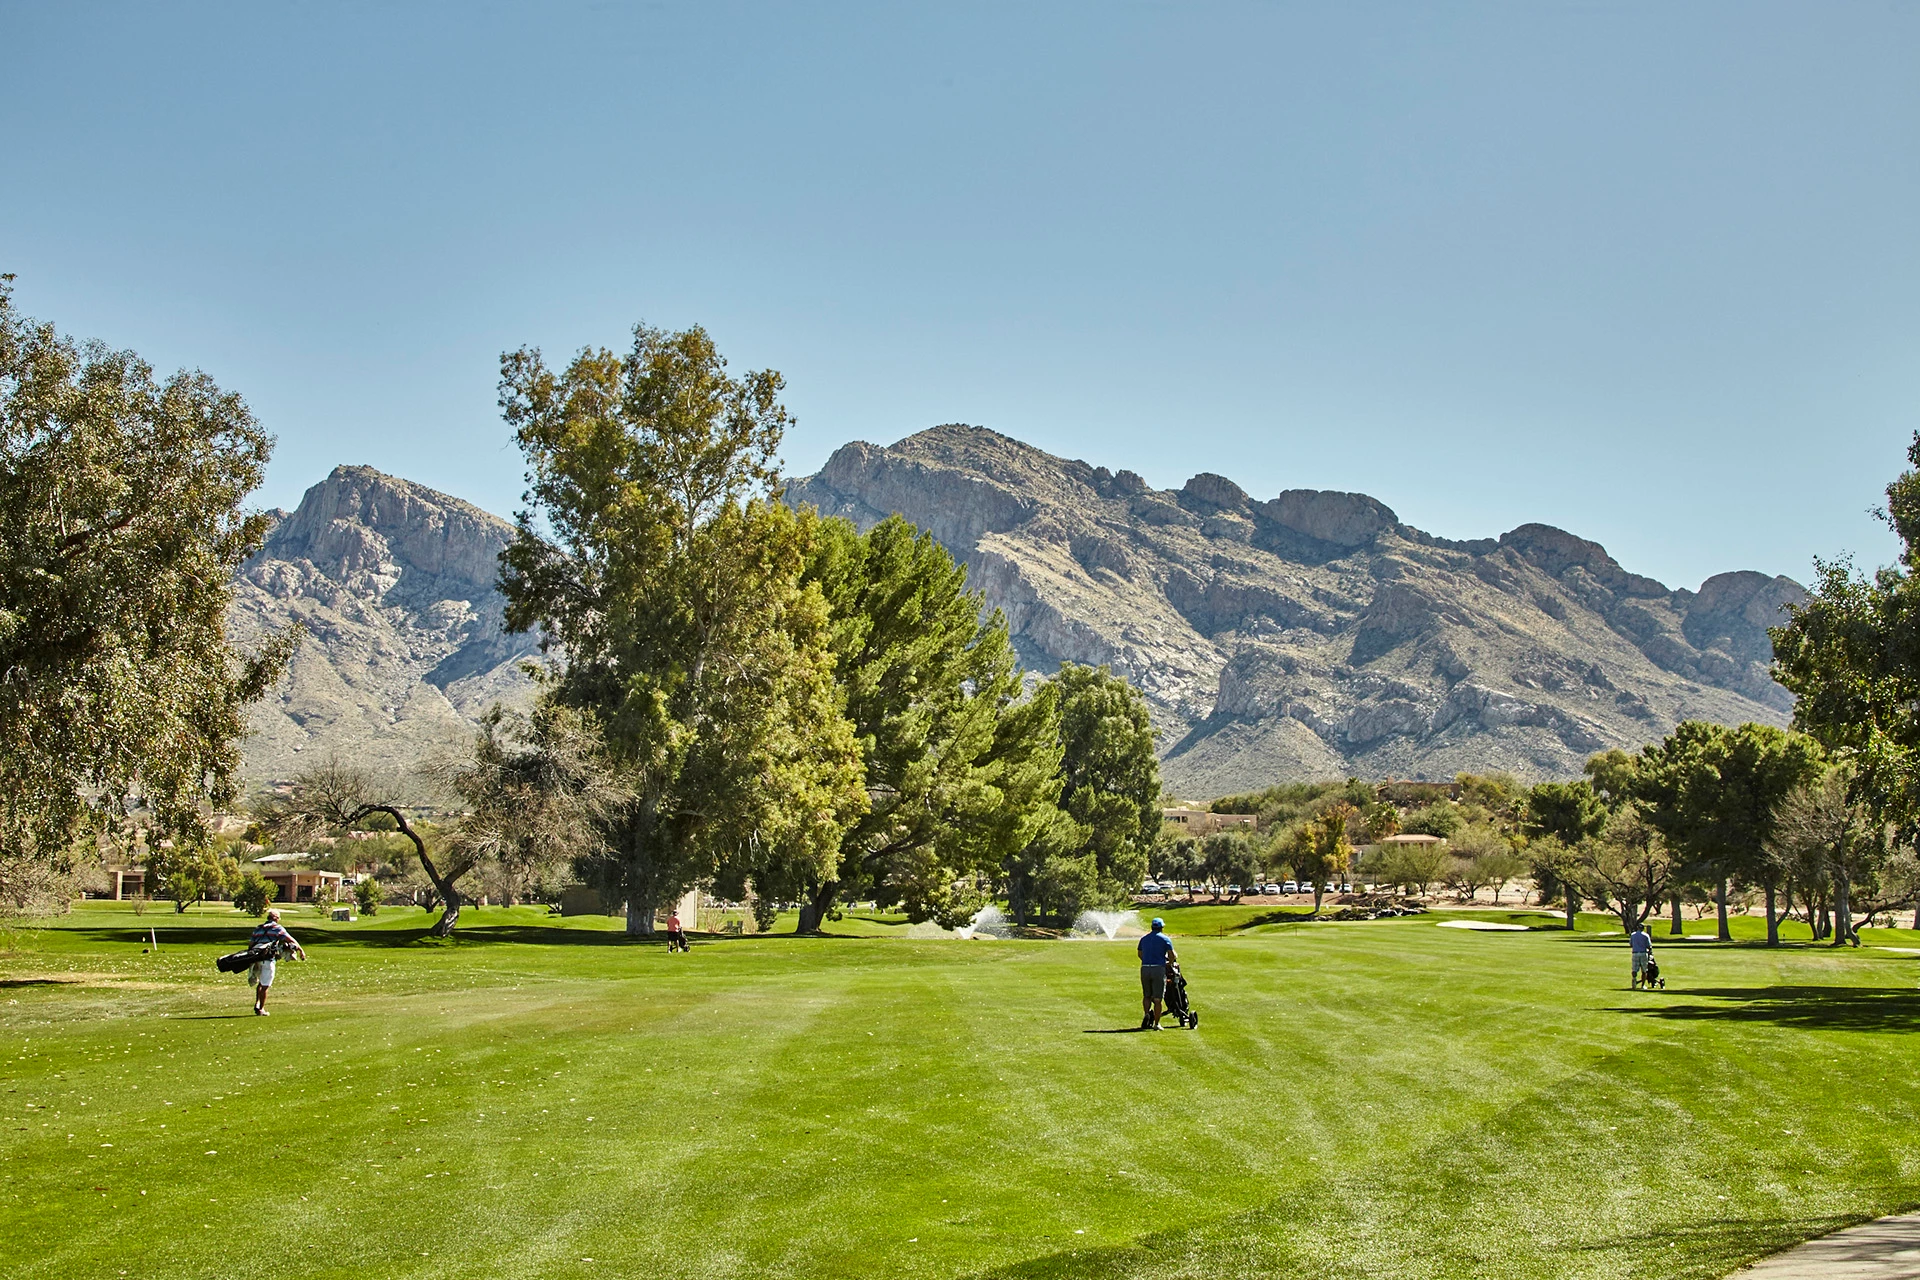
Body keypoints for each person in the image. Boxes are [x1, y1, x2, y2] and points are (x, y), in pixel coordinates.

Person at [248, 909, 305, 1015]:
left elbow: (251, 944)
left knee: (260, 982)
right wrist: (301, 951)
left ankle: (257, 1003)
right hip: (268, 959)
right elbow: (291, 940)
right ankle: (261, 1009)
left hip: (256, 958)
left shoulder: (259, 928)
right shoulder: (277, 928)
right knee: (265, 985)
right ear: (277, 919)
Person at [1137, 917, 1177, 1029]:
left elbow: (1140, 954)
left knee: (1146, 995)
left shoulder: (1144, 939)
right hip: (1158, 968)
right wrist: (1169, 963)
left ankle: (1146, 1014)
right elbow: (1172, 955)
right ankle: (1156, 1023)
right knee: (1158, 998)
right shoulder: (1165, 939)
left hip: (1145, 968)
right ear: (1161, 928)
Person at [1629, 923, 1653, 989]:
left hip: (1635, 953)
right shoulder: (1646, 935)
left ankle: (1634, 981)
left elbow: (1630, 944)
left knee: (1634, 969)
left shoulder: (1633, 935)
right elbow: (1649, 945)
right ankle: (1642, 985)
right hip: (1643, 953)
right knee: (1644, 970)